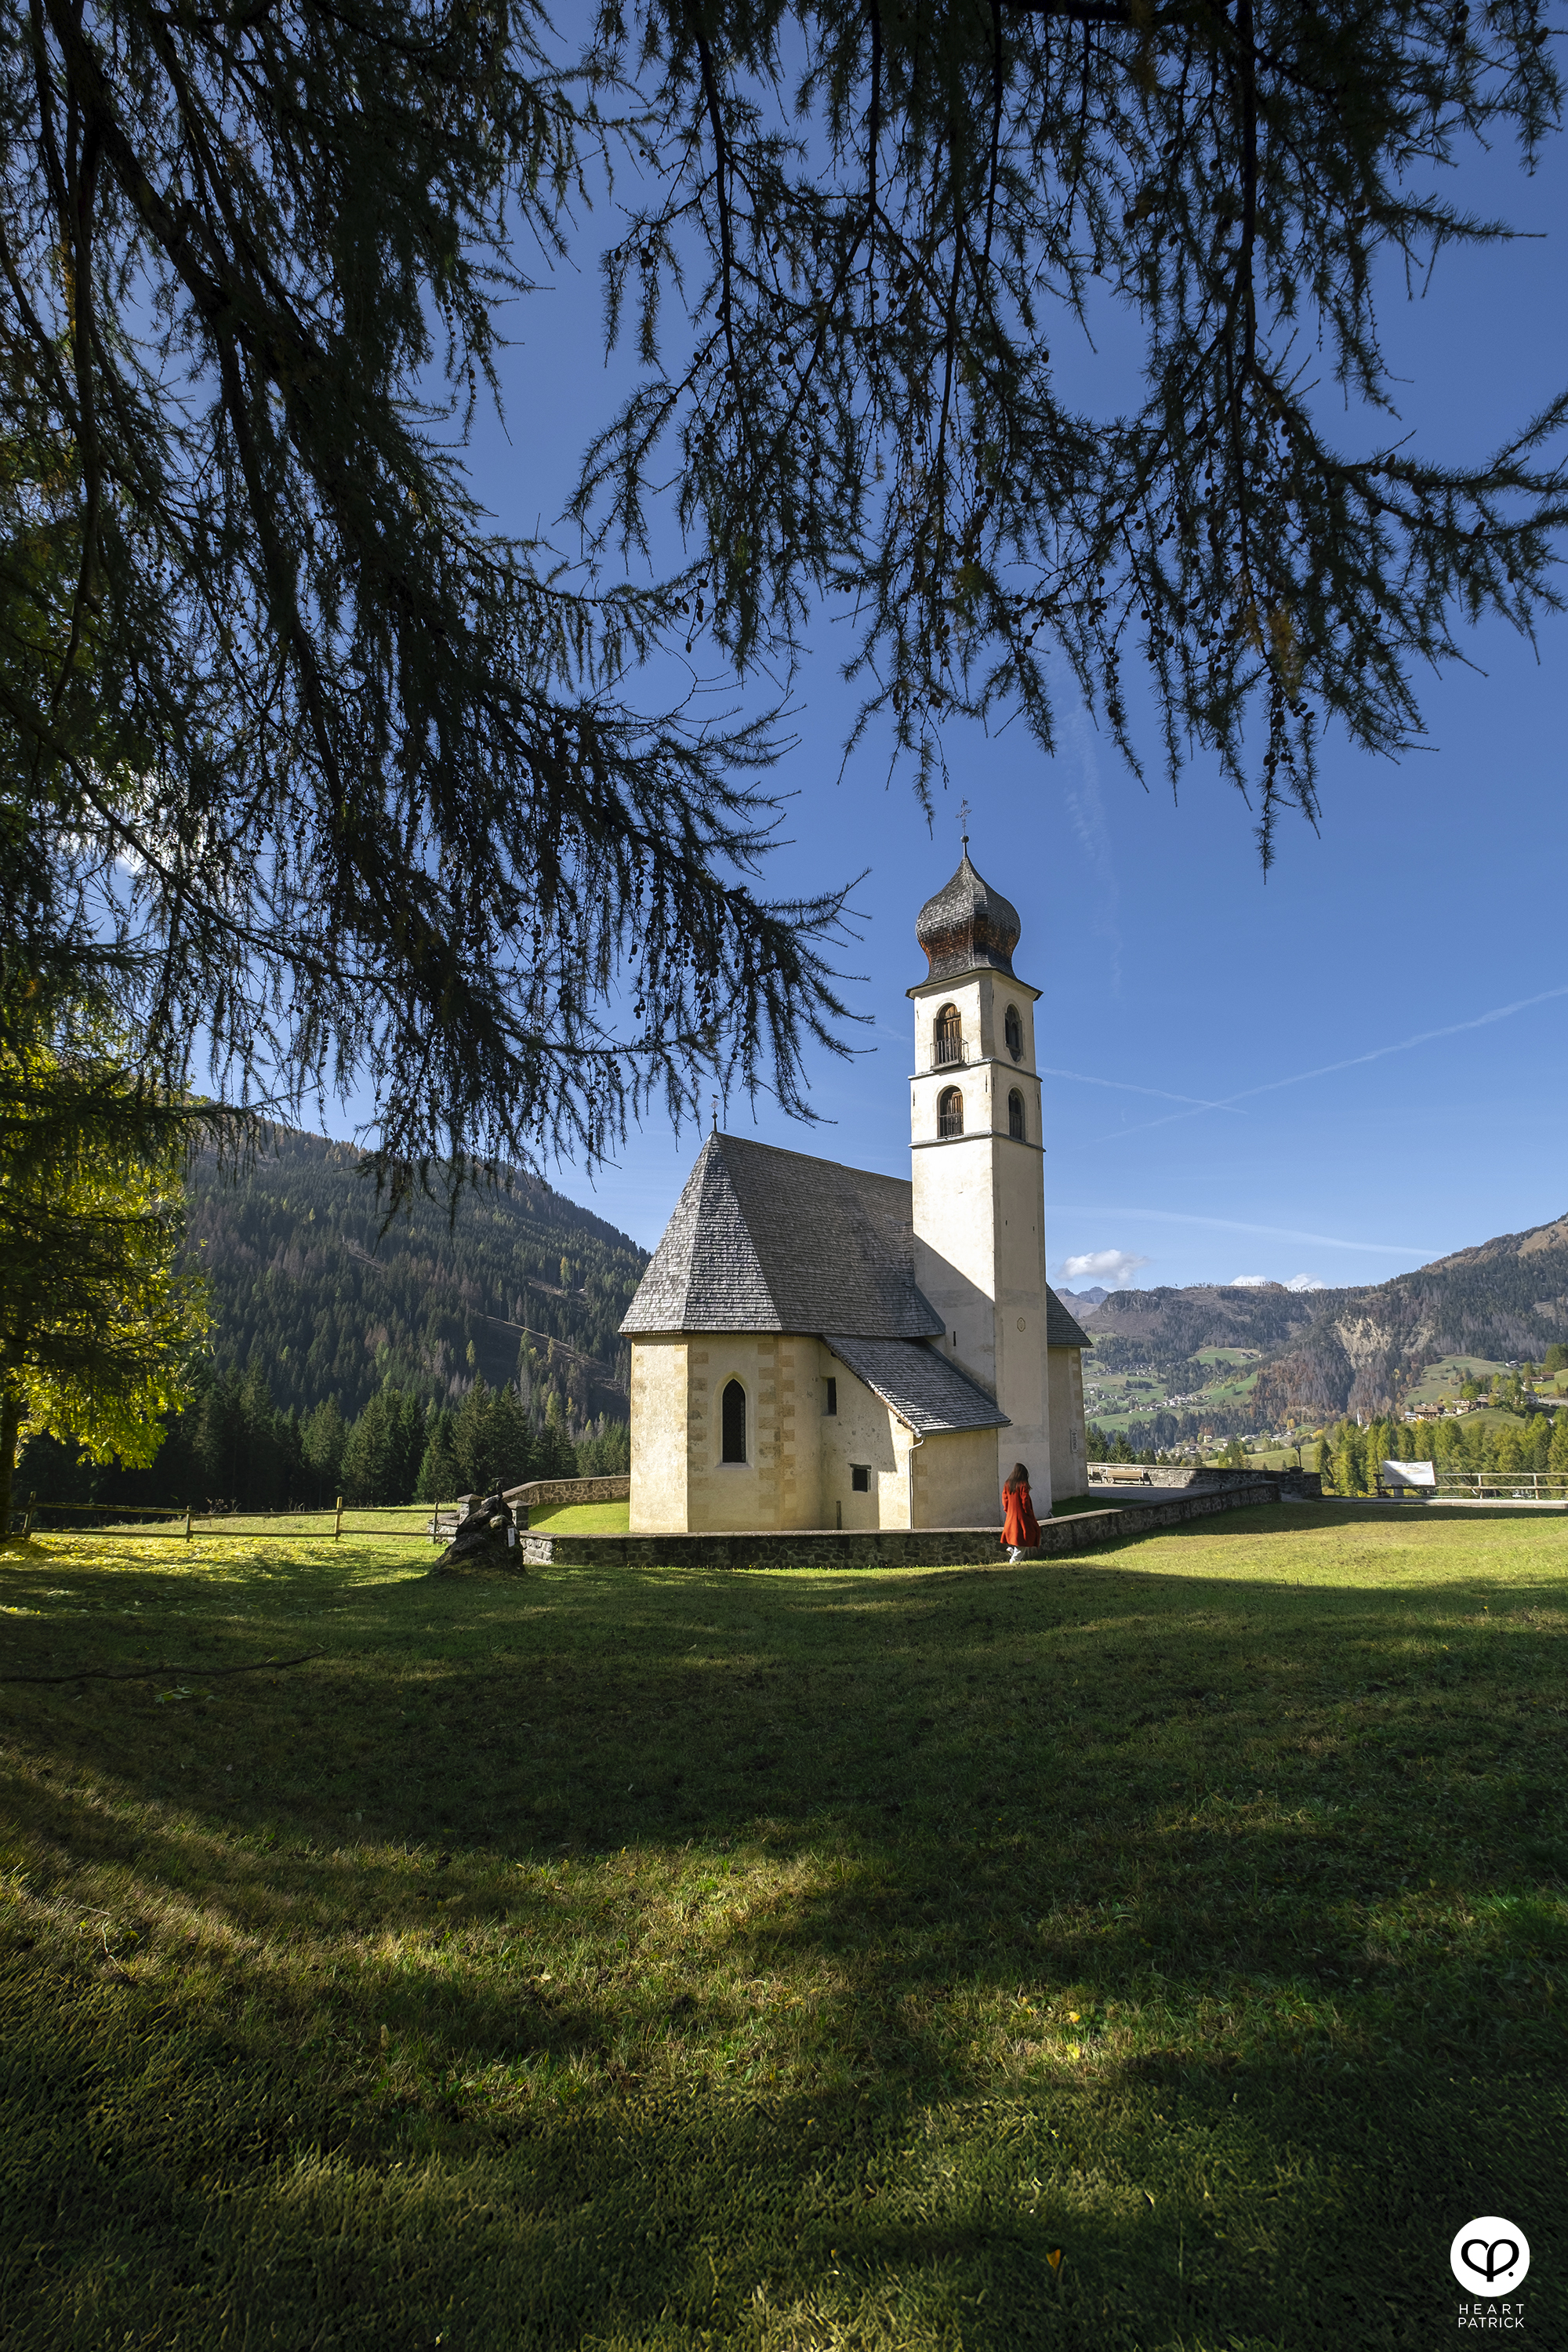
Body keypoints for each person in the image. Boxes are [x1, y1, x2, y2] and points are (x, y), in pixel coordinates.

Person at [1001, 1462, 1040, 1562]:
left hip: (1011, 1515)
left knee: (1016, 1536)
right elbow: (1025, 1501)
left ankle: (1012, 1550)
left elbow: (1005, 1500)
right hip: (1022, 1516)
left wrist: (1008, 1511)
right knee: (1024, 1539)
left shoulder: (1008, 1484)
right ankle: (1014, 1560)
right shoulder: (1023, 1485)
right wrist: (1029, 1514)